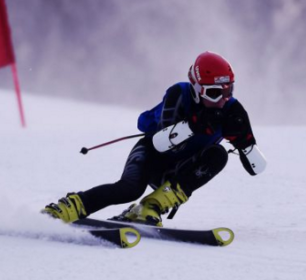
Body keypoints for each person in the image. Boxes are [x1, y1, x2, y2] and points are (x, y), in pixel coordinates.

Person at [43, 51, 265, 227]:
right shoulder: (179, 94)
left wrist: (246, 145)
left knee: (218, 154)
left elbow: (257, 169)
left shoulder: (232, 109)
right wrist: (194, 125)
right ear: (197, 89)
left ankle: (151, 207)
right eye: (215, 93)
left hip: (180, 169)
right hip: (151, 155)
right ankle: (69, 207)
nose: (223, 100)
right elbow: (160, 144)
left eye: (229, 91)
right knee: (129, 189)